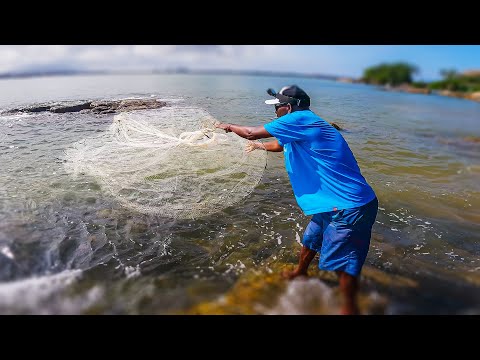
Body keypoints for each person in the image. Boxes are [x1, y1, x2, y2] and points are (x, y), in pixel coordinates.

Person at [215, 85, 378, 315]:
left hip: (349, 206)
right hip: (331, 203)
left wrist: (229, 127)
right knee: (311, 239)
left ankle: (349, 309)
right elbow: (280, 145)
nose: (276, 112)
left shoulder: (301, 119)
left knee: (345, 264)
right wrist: (260, 146)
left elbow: (251, 131)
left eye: (278, 107)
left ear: (288, 107)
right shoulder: (302, 124)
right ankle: (300, 272)